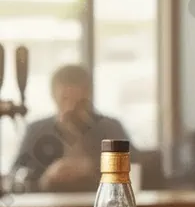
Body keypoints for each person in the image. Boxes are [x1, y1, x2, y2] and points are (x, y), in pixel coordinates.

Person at [10, 64, 128, 193]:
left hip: (99, 201)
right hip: (48, 203)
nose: (71, 108)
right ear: (54, 97)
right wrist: (45, 178)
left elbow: (134, 167)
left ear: (89, 96)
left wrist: (93, 167)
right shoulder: (37, 130)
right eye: (65, 99)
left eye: (78, 101)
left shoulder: (109, 127)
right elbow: (16, 175)